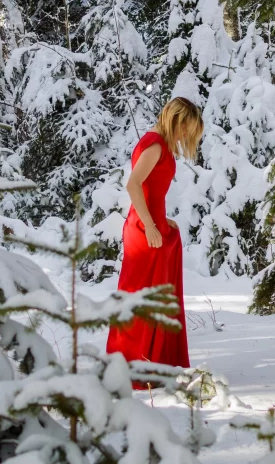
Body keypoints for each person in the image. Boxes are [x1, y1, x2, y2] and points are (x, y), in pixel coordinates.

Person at [106, 97, 202, 378]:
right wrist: (149, 223)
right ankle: (132, 366)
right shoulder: (155, 144)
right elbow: (133, 184)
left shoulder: (159, 144)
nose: (186, 136)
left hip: (153, 226)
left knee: (155, 298)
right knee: (141, 298)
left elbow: (152, 189)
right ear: (176, 120)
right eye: (186, 129)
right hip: (143, 231)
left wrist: (161, 219)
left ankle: (152, 364)